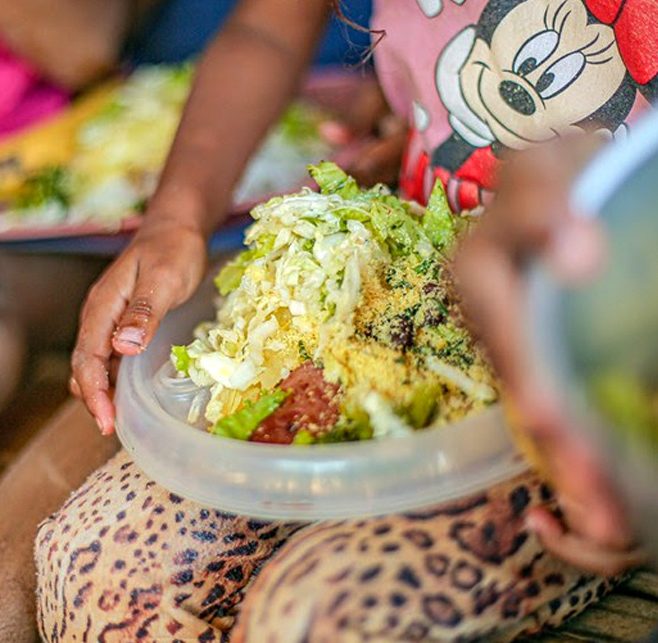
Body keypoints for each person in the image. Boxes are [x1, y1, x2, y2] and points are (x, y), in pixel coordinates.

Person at [43, 0, 655, 640]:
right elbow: (269, 25)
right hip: (404, 306)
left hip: (600, 394)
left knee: (315, 620)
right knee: (99, 577)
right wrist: (176, 219)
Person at [0, 1, 372, 641]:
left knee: (128, 369)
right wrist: (172, 220)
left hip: (277, 182)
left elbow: (83, 44)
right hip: (151, 165)